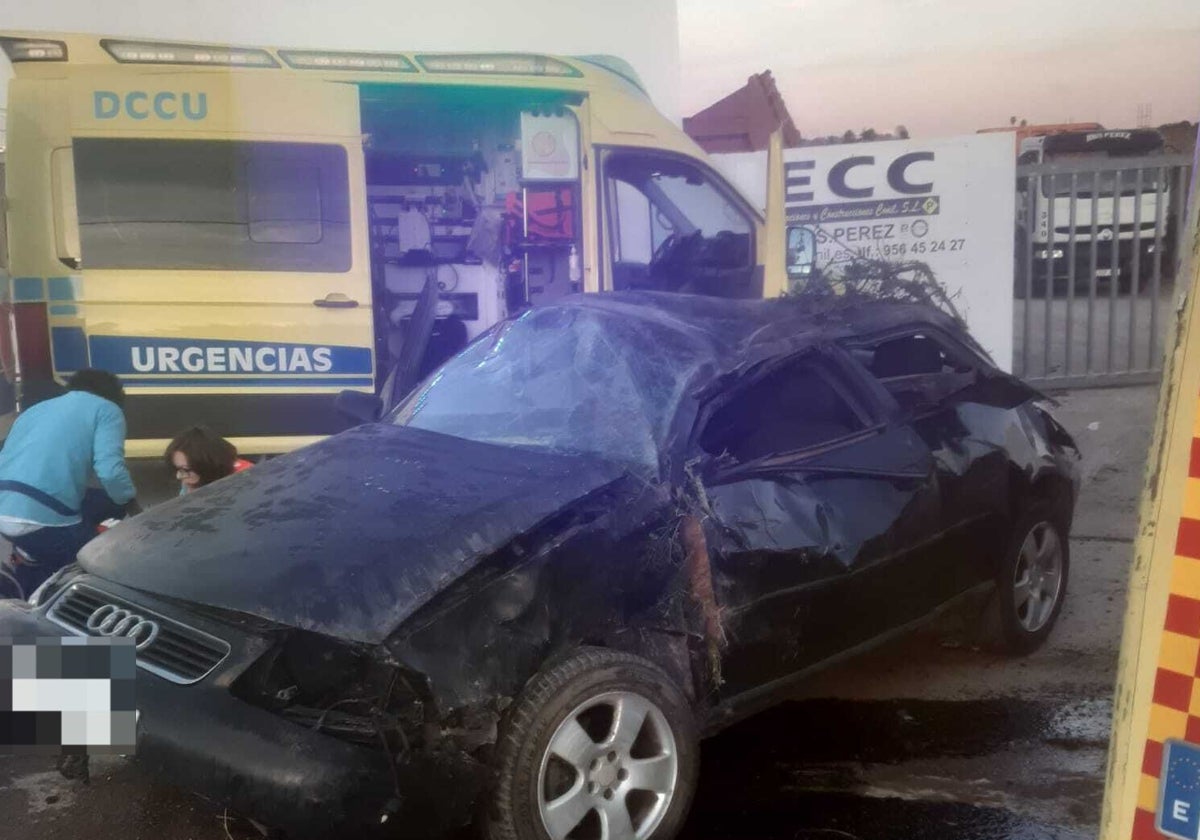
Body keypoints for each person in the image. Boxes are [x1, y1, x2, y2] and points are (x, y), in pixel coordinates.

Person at [0, 369, 139, 599]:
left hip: (4, 508)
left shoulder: (35, 409)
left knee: (102, 501)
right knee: (101, 566)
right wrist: (132, 503)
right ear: (114, 396)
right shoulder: (107, 409)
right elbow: (111, 472)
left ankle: (31, 553)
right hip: (39, 519)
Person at [164, 426, 251, 495]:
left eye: (185, 469)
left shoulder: (248, 486)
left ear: (208, 466)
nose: (178, 476)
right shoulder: (191, 479)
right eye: (177, 469)